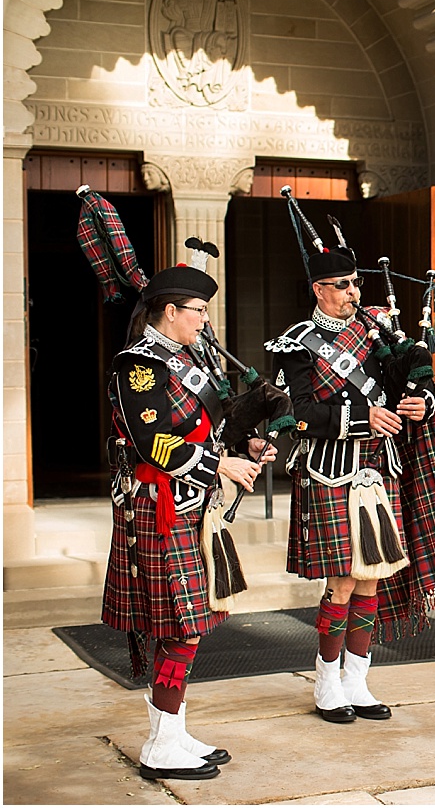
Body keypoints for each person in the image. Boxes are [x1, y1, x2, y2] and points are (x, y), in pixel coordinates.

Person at [102, 266, 275, 780]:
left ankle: (173, 733)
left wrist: (246, 446)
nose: (205, 319)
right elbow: (152, 442)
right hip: (158, 507)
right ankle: (159, 744)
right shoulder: (139, 366)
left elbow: (208, 426)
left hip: (190, 506)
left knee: (188, 623)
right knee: (183, 624)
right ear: (170, 312)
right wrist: (220, 465)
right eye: (197, 310)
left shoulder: (187, 358)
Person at [268, 248, 435, 722]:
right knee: (344, 580)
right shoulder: (297, 344)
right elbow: (297, 415)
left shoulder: (377, 333)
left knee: (371, 577)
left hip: (378, 468)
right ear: (319, 290)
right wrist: (361, 417)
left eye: (356, 283)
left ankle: (358, 679)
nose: (354, 292)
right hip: (330, 469)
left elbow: (409, 381)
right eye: (344, 285)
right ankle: (327, 682)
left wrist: (420, 404)